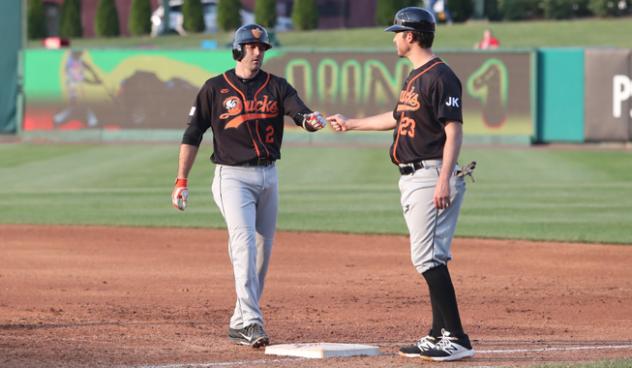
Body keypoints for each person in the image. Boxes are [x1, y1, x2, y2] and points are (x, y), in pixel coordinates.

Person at [327, 7, 475, 362]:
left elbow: (454, 130)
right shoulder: (415, 77)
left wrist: (443, 181)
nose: (394, 37)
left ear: (411, 37)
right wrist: (351, 123)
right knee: (431, 256)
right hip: (416, 176)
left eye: (397, 32)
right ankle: (439, 333)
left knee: (425, 257)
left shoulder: (440, 76)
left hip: (431, 174)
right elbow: (395, 119)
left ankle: (455, 337)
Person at [171, 23, 327, 348]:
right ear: (238, 50)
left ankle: (238, 320)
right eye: (251, 47)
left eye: (262, 48)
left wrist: (312, 121)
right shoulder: (214, 88)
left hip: (269, 176)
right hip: (232, 177)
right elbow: (192, 134)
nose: (257, 53)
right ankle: (252, 323)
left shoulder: (277, 86)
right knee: (243, 244)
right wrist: (181, 179)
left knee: (261, 256)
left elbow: (301, 114)